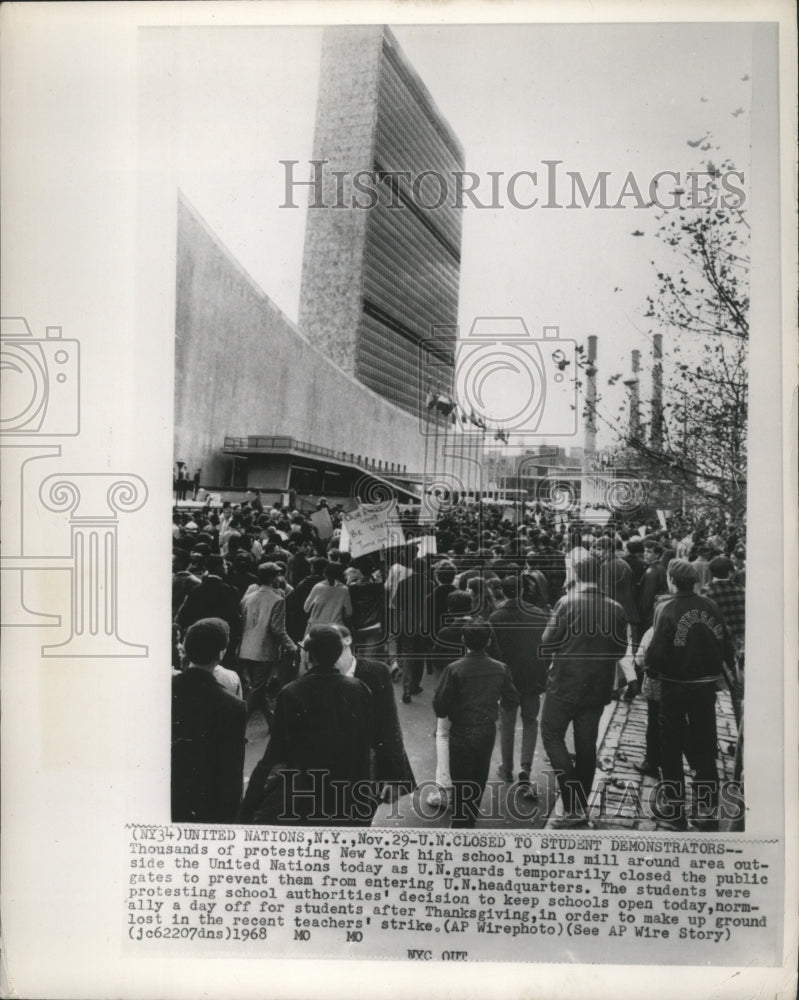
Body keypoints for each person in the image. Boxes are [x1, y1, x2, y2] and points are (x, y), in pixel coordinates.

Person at [239, 624, 375, 826]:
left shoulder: (292, 692)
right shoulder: (359, 688)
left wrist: (249, 803)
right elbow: (366, 746)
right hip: (347, 793)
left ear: (309, 656)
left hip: (307, 794)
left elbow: (275, 753)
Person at [645, 559, 735, 831]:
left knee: (671, 747)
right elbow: (726, 645)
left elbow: (656, 655)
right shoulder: (711, 606)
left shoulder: (665, 608)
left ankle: (675, 810)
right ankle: (707, 811)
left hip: (675, 686)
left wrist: (652, 668)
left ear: (671, 580)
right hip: (705, 687)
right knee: (705, 745)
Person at [540, 552, 628, 828]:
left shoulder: (567, 603)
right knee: (586, 745)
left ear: (576, 574)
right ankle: (580, 807)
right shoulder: (616, 608)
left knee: (552, 736)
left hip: (564, 683)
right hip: (597, 686)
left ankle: (572, 802)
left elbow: (547, 642)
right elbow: (620, 650)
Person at [433, 621, 519, 828]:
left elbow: (440, 707)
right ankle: (470, 820)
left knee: (460, 779)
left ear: (464, 640)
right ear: (488, 641)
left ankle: (459, 822)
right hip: (486, 730)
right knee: (479, 777)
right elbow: (511, 700)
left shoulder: (454, 669)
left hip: (461, 730)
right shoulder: (500, 668)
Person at [333, 624, 416, 814]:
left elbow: (390, 726)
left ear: (347, 640)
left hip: (367, 771)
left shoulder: (376, 672)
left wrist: (395, 778)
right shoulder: (315, 679)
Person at [171, 618, 246, 823]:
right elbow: (231, 773)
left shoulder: (164, 689)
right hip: (207, 802)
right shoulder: (233, 706)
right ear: (221, 654)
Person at [490, 576, 549, 795]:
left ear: (503, 592)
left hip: (508, 678)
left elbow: (493, 651)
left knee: (506, 724)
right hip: (533, 675)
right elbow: (547, 645)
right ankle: (526, 767)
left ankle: (507, 768)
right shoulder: (539, 614)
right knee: (530, 721)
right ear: (522, 590)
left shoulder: (496, 617)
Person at [239, 562, 297, 724]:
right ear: (272, 578)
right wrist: (292, 647)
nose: (280, 578)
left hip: (245, 649)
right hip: (264, 651)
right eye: (278, 575)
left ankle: (272, 722)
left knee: (259, 687)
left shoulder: (247, 598)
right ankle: (238, 724)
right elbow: (278, 630)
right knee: (257, 689)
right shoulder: (277, 599)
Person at [175, 554, 241, 667]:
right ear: (219, 568)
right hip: (220, 639)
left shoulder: (195, 590)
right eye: (224, 565)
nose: (226, 567)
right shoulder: (230, 591)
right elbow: (235, 619)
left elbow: (184, 616)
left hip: (199, 639)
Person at [303, 561, 353, 627]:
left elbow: (306, 608)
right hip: (335, 627)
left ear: (325, 573)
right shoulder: (344, 590)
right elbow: (349, 613)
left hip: (316, 626)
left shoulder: (317, 587)